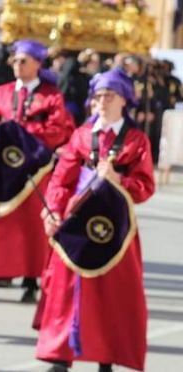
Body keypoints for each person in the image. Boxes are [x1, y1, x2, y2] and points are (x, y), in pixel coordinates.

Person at [37, 68, 155, 372]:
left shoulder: (137, 140)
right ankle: (60, 354)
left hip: (116, 228)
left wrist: (119, 180)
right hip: (77, 220)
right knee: (66, 287)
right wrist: (53, 210)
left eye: (109, 96)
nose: (102, 101)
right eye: (99, 96)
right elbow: (61, 180)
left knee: (112, 293)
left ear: (124, 101)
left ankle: (107, 356)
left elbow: (145, 187)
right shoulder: (80, 135)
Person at [0, 39, 74, 302]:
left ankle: (32, 281)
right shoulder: (1, 92)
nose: (17, 65)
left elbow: (59, 130)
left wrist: (20, 135)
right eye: (15, 60)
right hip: (0, 169)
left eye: (23, 61)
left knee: (32, 226)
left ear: (37, 63)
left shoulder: (52, 96)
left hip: (32, 169)